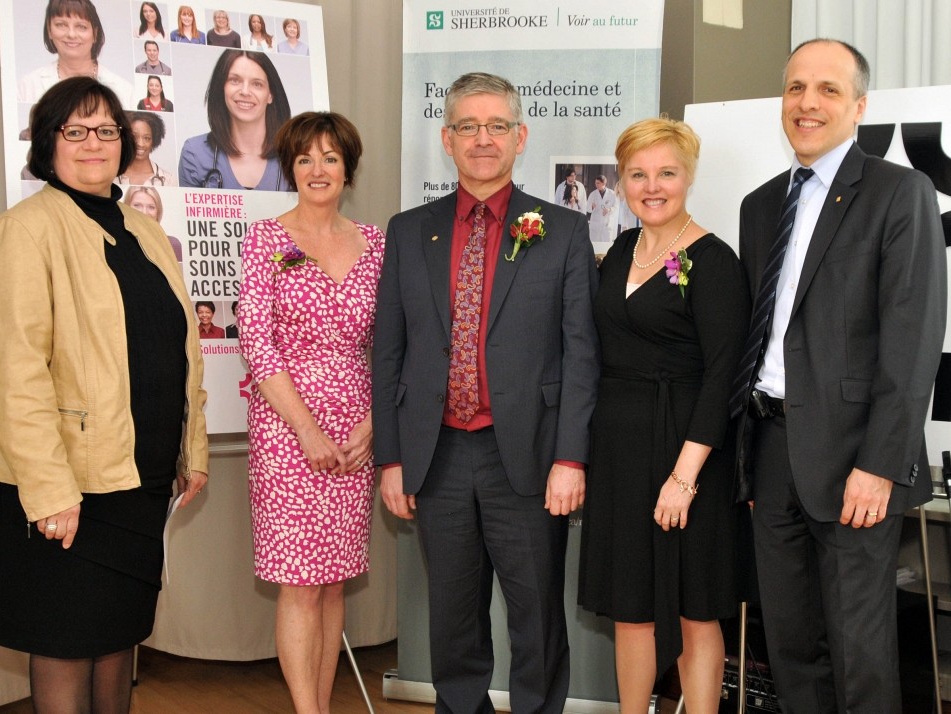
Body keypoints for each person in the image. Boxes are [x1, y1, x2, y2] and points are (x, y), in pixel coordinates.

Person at [0, 77, 207, 714]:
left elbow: (182, 352)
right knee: (65, 641)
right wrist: (49, 491)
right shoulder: (23, 232)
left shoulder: (145, 233)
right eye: (75, 130)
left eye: (106, 130)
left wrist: (190, 450)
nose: (93, 143)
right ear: (47, 145)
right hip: (60, 485)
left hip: (135, 477)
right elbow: (15, 375)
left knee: (118, 635)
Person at [373, 72, 599, 714]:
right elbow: (388, 351)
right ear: (446, 139)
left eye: (496, 125)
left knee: (536, 617)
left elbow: (582, 353)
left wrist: (571, 457)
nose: (482, 138)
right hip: (436, 454)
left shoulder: (562, 229)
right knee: (452, 618)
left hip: (526, 456)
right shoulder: (409, 230)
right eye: (468, 126)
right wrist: (391, 459)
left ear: (520, 136)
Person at [734, 39, 945, 713]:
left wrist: (880, 465)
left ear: (859, 107)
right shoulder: (760, 204)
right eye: (796, 88)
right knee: (791, 643)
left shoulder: (899, 193)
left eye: (827, 89)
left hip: (857, 460)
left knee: (860, 648)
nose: (808, 103)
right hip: (770, 452)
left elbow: (912, 343)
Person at [577, 118, 749, 714]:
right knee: (632, 607)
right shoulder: (621, 248)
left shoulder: (714, 260)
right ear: (621, 181)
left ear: (689, 177)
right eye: (638, 174)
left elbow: (724, 377)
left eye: (666, 173)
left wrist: (685, 477)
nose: (653, 186)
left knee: (693, 609)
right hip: (620, 450)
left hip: (688, 451)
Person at [237, 111, 382, 713]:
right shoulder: (265, 241)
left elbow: (396, 343)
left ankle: (321, 705)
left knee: (334, 580)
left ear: (347, 168)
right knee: (299, 584)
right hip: (285, 430)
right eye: (304, 159)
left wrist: (373, 427)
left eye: (329, 158)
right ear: (289, 169)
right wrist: (306, 430)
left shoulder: (377, 243)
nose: (317, 169)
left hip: (358, 429)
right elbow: (257, 343)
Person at [179, 50, 292, 191]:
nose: (245, 91)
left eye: (257, 84)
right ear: (222, 88)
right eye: (235, 80)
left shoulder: (293, 155)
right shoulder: (195, 153)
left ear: (270, 95)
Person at [18, 0, 133, 108]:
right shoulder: (28, 85)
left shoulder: (124, 90)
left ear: (95, 34)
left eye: (81, 27)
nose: (71, 34)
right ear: (49, 31)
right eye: (61, 25)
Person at [123, 186, 182, 260]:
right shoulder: (115, 242)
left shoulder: (173, 244)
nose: (144, 212)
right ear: (125, 208)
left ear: (158, 212)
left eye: (151, 207)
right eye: (137, 205)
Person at [117, 112, 175, 186]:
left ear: (154, 141)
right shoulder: (111, 176)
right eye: (134, 137)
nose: (140, 144)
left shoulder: (169, 180)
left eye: (147, 138)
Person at [586, 175, 617, 243]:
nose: (596, 185)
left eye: (598, 183)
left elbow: (616, 207)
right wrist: (591, 207)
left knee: (606, 246)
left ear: (604, 183)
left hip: (607, 224)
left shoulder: (612, 194)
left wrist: (609, 210)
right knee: (595, 245)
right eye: (595, 183)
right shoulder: (593, 194)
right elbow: (588, 209)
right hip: (595, 224)